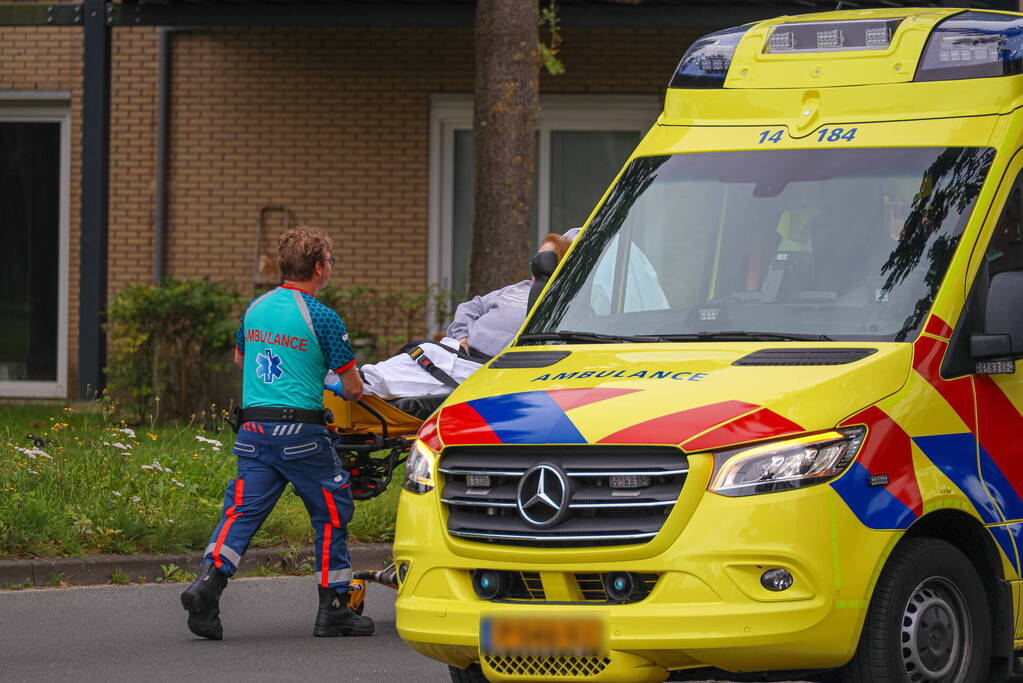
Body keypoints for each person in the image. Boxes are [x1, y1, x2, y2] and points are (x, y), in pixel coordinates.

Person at [180, 226, 373, 640]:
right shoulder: (322, 317)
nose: (330, 268)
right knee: (332, 510)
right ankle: (334, 608)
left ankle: (207, 586)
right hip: (301, 435)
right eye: (330, 261)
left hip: (253, 431)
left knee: (242, 512)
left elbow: (241, 359)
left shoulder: (256, 308)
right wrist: (331, 382)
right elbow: (354, 388)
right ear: (319, 268)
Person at [334, 233, 571, 407]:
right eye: (536, 259)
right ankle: (355, 379)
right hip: (456, 350)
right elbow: (471, 306)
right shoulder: (516, 288)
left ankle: (355, 383)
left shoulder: (560, 301)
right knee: (421, 356)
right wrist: (461, 335)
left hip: (483, 368)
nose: (537, 266)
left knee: (416, 370)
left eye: (545, 260)